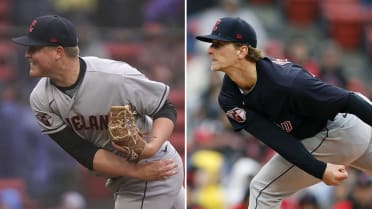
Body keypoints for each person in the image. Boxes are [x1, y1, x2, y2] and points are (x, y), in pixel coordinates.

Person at [195, 16, 372, 209]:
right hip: (327, 135)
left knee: (263, 190)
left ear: (242, 50)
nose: (210, 50)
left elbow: (350, 101)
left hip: (337, 127)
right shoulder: (229, 97)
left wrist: (320, 170)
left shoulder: (287, 81)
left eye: (218, 44)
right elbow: (276, 139)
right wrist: (319, 170)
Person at [11, 15, 185, 209]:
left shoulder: (114, 77)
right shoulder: (41, 99)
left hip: (156, 167)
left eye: (34, 48)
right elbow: (83, 152)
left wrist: (151, 146)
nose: (27, 54)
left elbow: (164, 108)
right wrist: (137, 172)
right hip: (132, 174)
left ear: (58, 52)